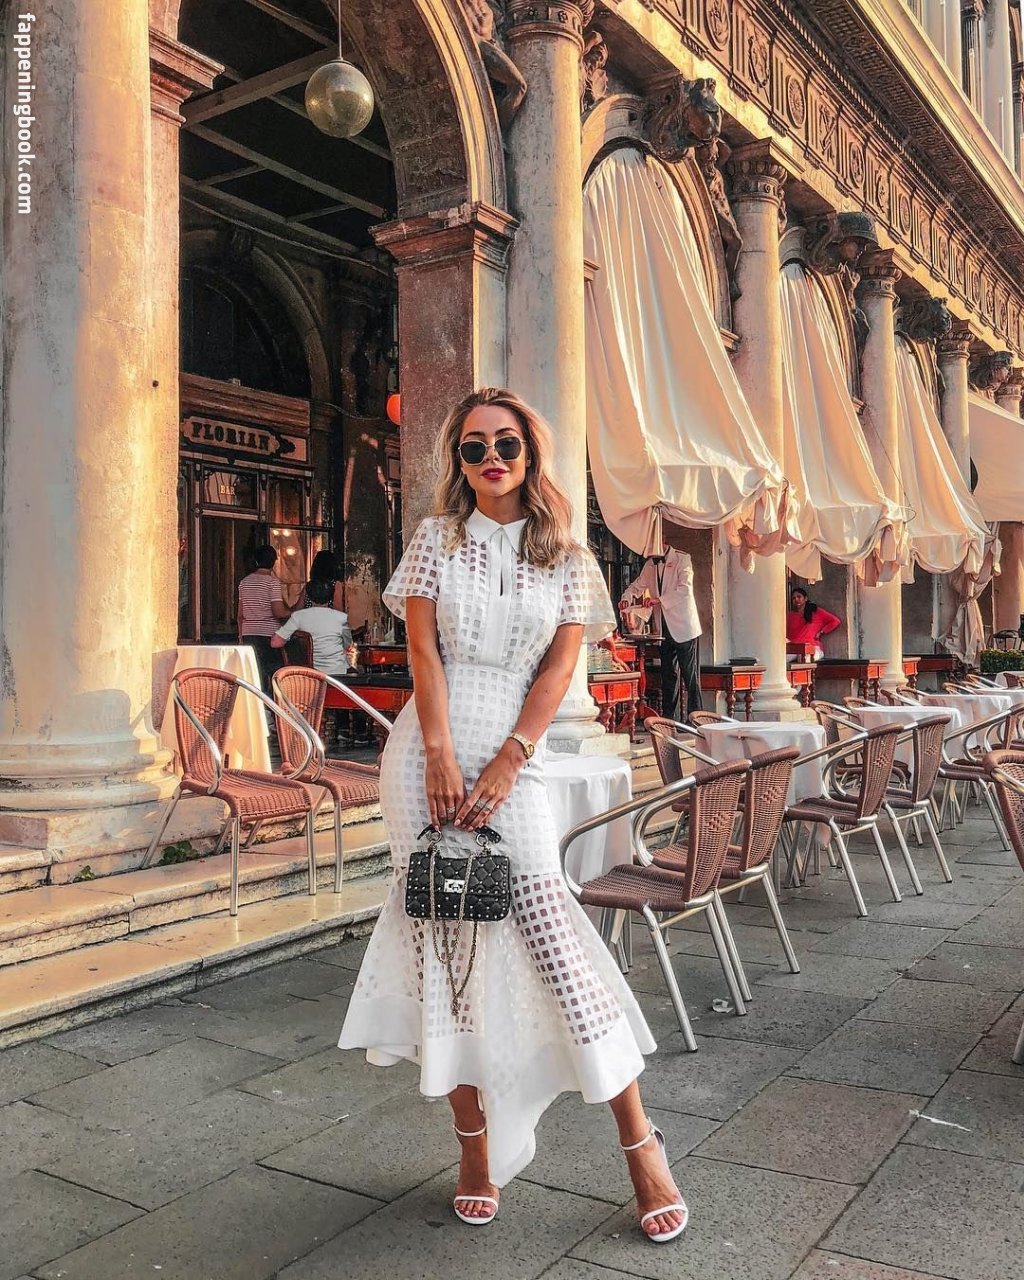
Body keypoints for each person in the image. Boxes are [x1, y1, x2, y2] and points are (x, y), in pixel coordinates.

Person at [338, 387, 687, 1243]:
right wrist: (439, 751)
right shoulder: (436, 539)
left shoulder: (568, 555)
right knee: (445, 942)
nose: (491, 458)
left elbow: (558, 673)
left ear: (530, 453)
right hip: (424, 756)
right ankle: (474, 1148)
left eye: (505, 444)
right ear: (457, 462)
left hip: (514, 756)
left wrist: (509, 757)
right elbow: (423, 651)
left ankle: (641, 1145)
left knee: (550, 931)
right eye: (473, 447)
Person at [620, 550, 702, 721]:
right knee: (668, 675)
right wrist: (626, 598)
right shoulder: (650, 565)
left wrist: (659, 600)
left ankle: (697, 717)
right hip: (663, 629)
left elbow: (685, 589)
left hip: (684, 626)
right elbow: (637, 586)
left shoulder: (682, 558)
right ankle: (668, 718)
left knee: (689, 675)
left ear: (662, 541)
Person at [270, 578, 354, 676]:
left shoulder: (298, 616)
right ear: (331, 596)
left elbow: (275, 643)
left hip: (308, 675)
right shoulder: (341, 618)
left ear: (308, 596)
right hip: (337, 673)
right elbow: (348, 645)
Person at [237, 545, 290, 691]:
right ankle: (273, 703)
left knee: (255, 673)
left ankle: (257, 702)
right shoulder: (272, 582)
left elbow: (240, 614)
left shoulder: (244, 582)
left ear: (256, 561)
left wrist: (241, 636)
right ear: (274, 562)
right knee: (275, 674)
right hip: (269, 634)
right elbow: (278, 612)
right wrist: (291, 613)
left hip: (248, 633)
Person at [786, 586, 841, 660]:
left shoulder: (816, 611)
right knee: (781, 661)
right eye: (793, 598)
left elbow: (835, 621)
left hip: (812, 646)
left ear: (805, 598)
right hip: (794, 648)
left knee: (807, 659)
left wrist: (822, 631)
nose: (796, 599)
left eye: (799, 597)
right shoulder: (790, 616)